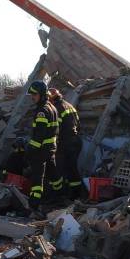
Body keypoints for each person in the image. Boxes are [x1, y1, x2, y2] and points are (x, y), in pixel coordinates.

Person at [24, 80, 58, 213]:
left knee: (37, 178)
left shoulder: (41, 111)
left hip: (41, 150)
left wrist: (30, 150)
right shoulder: (52, 107)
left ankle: (34, 205)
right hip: (50, 148)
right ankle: (59, 196)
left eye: (35, 94)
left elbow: (39, 136)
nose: (32, 97)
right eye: (31, 94)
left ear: (42, 94)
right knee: (53, 174)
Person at [49, 87, 81, 201]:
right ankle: (76, 194)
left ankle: (61, 195)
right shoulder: (69, 105)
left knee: (59, 168)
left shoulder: (57, 109)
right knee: (71, 168)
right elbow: (78, 122)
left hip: (65, 142)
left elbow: (57, 130)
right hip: (76, 140)